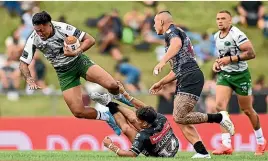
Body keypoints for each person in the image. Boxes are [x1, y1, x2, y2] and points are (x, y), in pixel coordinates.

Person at [19, 11, 134, 136]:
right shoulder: (34, 38)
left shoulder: (62, 28)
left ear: (49, 25)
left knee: (112, 85)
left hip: (79, 62)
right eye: (37, 30)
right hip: (64, 72)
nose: (39, 33)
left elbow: (90, 39)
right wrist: (29, 79)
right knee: (78, 112)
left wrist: (76, 52)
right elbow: (23, 63)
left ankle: (119, 98)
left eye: (41, 30)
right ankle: (106, 117)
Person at [149, 11, 234, 158]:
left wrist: (162, 61)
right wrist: (161, 83)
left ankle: (219, 118)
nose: (153, 25)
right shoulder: (174, 33)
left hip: (190, 76)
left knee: (179, 116)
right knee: (181, 119)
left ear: (162, 22)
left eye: (155, 22)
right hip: (187, 76)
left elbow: (176, 44)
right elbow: (177, 70)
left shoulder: (172, 32)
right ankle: (202, 152)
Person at [212, 10, 266, 155]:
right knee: (219, 106)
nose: (220, 21)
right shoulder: (216, 36)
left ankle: (261, 142)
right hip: (225, 75)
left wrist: (229, 60)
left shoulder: (237, 34)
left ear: (230, 21)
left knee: (247, 110)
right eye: (218, 18)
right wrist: (217, 64)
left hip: (241, 76)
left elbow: (251, 53)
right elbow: (222, 56)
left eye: (223, 18)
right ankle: (226, 145)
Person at [92, 82, 179, 157]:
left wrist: (110, 145)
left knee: (126, 129)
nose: (136, 120)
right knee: (133, 119)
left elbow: (131, 155)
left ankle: (108, 103)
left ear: (145, 124)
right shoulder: (161, 118)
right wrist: (125, 94)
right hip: (173, 146)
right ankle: (109, 102)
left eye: (139, 120)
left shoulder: (143, 136)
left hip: (157, 153)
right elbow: (145, 108)